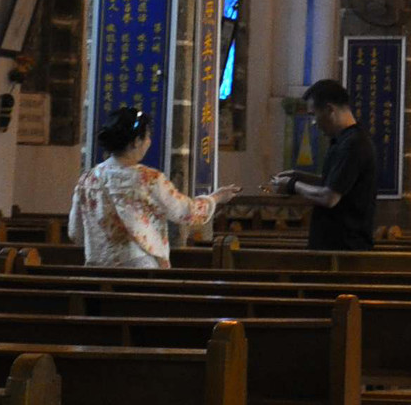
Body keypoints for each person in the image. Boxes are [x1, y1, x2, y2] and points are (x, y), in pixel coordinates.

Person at [68, 104, 231, 269]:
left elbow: (75, 232)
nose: (149, 142)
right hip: (139, 270)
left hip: (97, 270)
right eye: (147, 137)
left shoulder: (87, 180)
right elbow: (185, 212)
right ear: (136, 142)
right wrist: (216, 198)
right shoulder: (148, 179)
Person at [270, 78, 380, 250]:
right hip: (334, 247)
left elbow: (329, 197)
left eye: (313, 114)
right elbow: (333, 182)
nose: (313, 122)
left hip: (344, 251)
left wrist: (292, 185)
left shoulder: (354, 144)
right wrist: (299, 176)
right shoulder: (343, 141)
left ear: (329, 110)